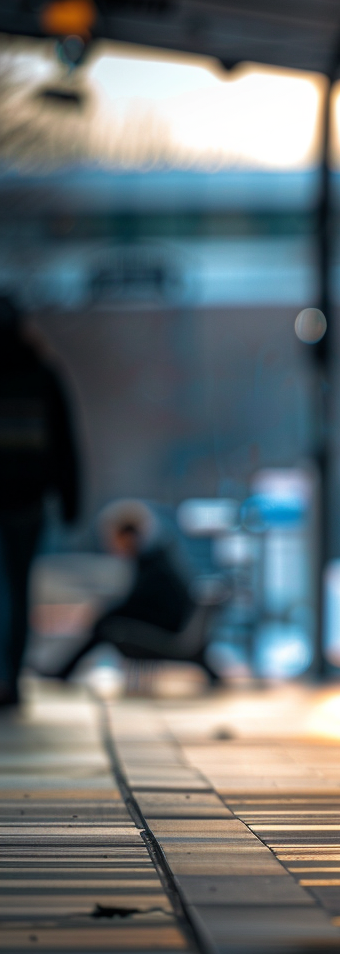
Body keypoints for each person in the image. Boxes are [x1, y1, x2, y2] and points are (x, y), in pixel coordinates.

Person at [0, 297, 79, 707]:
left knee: (7, 589)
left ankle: (6, 675)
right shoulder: (42, 373)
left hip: (23, 501)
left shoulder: (43, 374)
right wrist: (69, 500)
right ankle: (9, 676)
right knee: (16, 588)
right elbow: (65, 444)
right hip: (29, 501)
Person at [52, 500, 202, 681]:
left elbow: (138, 604)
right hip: (169, 626)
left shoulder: (153, 564)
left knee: (106, 626)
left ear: (129, 536)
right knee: (106, 623)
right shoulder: (156, 559)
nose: (111, 544)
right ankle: (62, 671)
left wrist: (103, 614)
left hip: (167, 631)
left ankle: (62, 672)